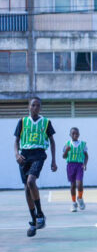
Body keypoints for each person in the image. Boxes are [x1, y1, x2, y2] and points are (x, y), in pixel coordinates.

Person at [13, 97, 57, 237]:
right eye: (33, 105)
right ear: (29, 107)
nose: (36, 108)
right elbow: (16, 140)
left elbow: (52, 141)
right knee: (27, 189)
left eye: (38, 106)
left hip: (38, 154)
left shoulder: (46, 122)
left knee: (31, 181)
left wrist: (54, 161)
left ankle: (40, 214)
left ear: (40, 108)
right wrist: (16, 154)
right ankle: (33, 220)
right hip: (24, 155)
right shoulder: (22, 121)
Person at [62, 127, 88, 212]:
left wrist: (85, 164)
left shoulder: (83, 144)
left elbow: (86, 156)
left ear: (79, 135)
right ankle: (73, 203)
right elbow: (64, 156)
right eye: (73, 133)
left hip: (79, 165)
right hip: (70, 165)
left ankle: (80, 198)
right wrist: (66, 151)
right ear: (70, 135)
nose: (75, 135)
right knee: (72, 185)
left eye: (76, 133)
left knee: (79, 183)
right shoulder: (67, 144)